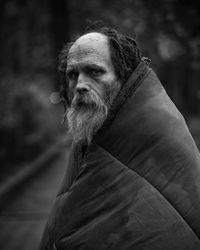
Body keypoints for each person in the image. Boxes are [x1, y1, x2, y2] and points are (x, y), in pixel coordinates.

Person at [40, 24, 200, 249]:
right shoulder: (89, 134)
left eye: (94, 71)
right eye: (72, 75)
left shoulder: (158, 129)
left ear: (124, 77)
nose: (80, 85)